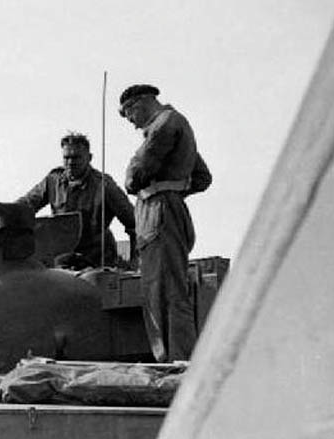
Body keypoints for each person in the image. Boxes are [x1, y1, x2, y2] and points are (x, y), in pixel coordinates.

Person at [119, 84, 212, 361]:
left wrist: (161, 190)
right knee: (169, 288)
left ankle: (174, 361)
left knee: (161, 292)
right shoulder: (177, 124)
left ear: (141, 102)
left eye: (129, 114)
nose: (133, 124)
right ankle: (177, 358)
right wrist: (176, 188)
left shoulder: (163, 125)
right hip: (170, 209)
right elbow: (202, 177)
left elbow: (135, 177)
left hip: (157, 212)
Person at [18, 133, 135, 269]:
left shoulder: (104, 185)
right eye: (66, 157)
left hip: (97, 262)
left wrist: (135, 262)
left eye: (76, 157)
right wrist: (1, 212)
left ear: (89, 158)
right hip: (63, 260)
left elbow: (134, 223)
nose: (70, 162)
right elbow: (26, 205)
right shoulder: (53, 181)